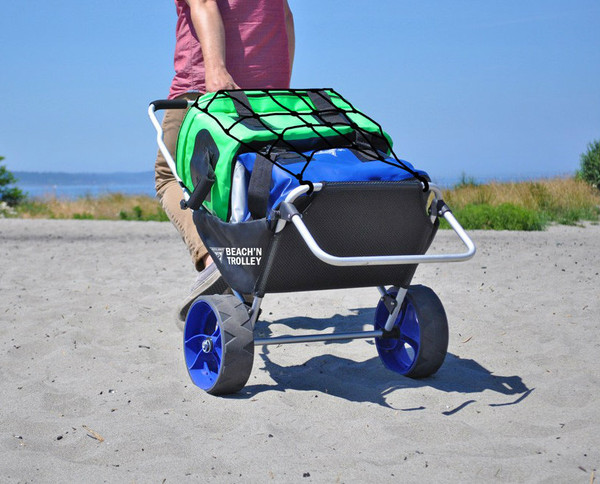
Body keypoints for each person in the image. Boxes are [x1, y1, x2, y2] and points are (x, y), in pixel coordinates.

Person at [154, 0, 295, 320]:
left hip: (203, 91)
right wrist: (280, 91)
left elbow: (203, 2)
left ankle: (211, 261)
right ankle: (238, 283)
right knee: (245, 186)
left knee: (169, 177)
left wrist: (216, 70)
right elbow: (285, 17)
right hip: (268, 102)